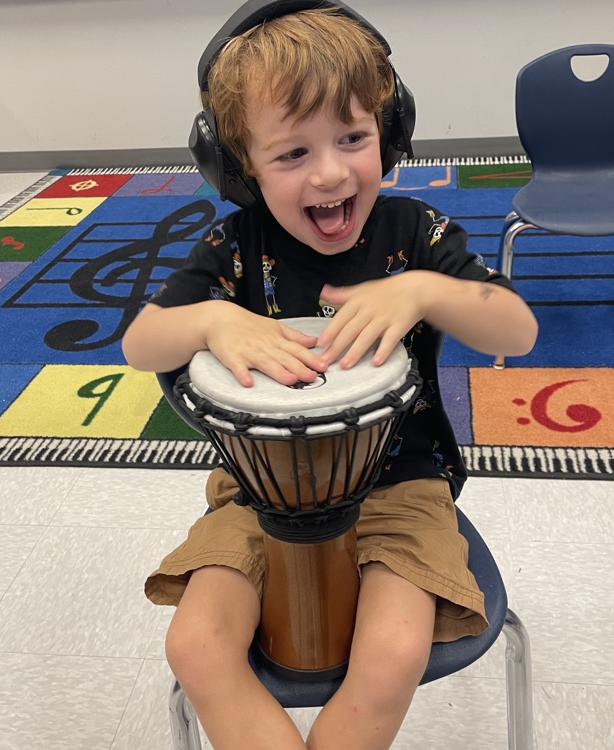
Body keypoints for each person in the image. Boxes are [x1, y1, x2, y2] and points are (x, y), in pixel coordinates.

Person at [122, 2, 538, 748]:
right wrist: (213, 318)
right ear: (239, 165)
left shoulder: (417, 233)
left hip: (402, 484)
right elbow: (142, 344)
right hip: (256, 494)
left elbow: (519, 329)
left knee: (391, 653)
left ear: (391, 131)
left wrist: (423, 290)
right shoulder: (233, 246)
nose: (331, 172)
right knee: (194, 645)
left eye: (354, 137)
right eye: (291, 154)